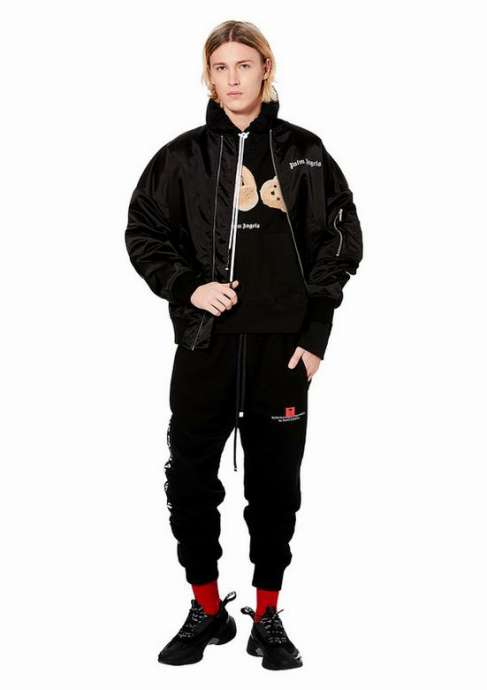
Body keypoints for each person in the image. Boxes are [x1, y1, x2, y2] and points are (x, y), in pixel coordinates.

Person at [124, 19, 363, 671]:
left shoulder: (304, 152)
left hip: (281, 354)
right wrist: (187, 287)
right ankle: (207, 610)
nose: (233, 78)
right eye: (220, 67)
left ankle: (267, 615)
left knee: (275, 489)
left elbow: (339, 240)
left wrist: (315, 335)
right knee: (189, 483)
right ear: (209, 77)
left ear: (265, 69)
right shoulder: (181, 158)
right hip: (204, 349)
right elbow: (144, 231)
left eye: (244, 65)